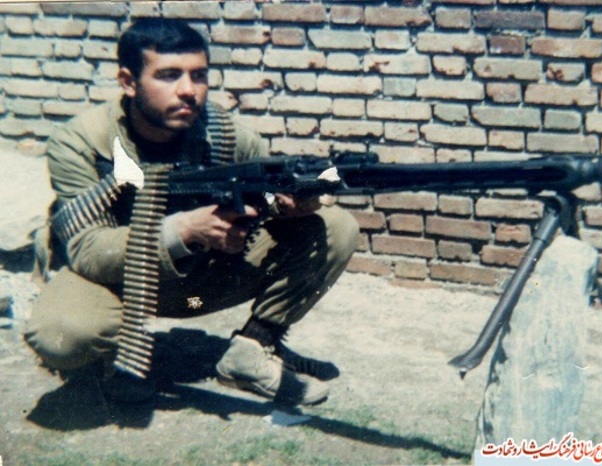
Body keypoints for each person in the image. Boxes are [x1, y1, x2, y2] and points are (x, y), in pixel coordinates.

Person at [24, 18, 359, 406]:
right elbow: (87, 249)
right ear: (128, 82)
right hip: (115, 281)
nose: (189, 90)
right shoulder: (82, 142)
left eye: (199, 75)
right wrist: (183, 230)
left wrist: (291, 204)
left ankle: (253, 349)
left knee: (335, 226)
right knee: (62, 333)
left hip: (197, 280)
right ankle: (109, 364)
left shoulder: (226, 136)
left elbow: (267, 199)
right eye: (169, 75)